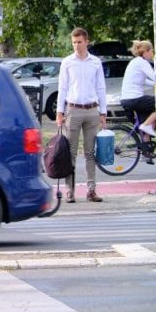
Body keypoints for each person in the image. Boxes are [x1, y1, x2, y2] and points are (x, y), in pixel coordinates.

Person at [56, 27, 106, 203]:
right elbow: (62, 87)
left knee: (90, 152)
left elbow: (100, 86)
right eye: (74, 42)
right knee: (70, 151)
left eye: (79, 42)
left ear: (87, 42)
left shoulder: (95, 62)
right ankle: (70, 190)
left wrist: (103, 112)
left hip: (92, 109)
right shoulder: (67, 62)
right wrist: (59, 112)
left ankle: (91, 189)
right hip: (73, 109)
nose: (76, 45)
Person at [119, 39, 156, 139]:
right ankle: (147, 125)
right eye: (151, 51)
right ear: (146, 52)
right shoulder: (142, 62)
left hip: (127, 99)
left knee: (145, 125)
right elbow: (155, 77)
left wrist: (155, 84)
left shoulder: (135, 62)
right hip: (134, 99)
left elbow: (145, 81)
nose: (152, 53)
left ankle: (146, 150)